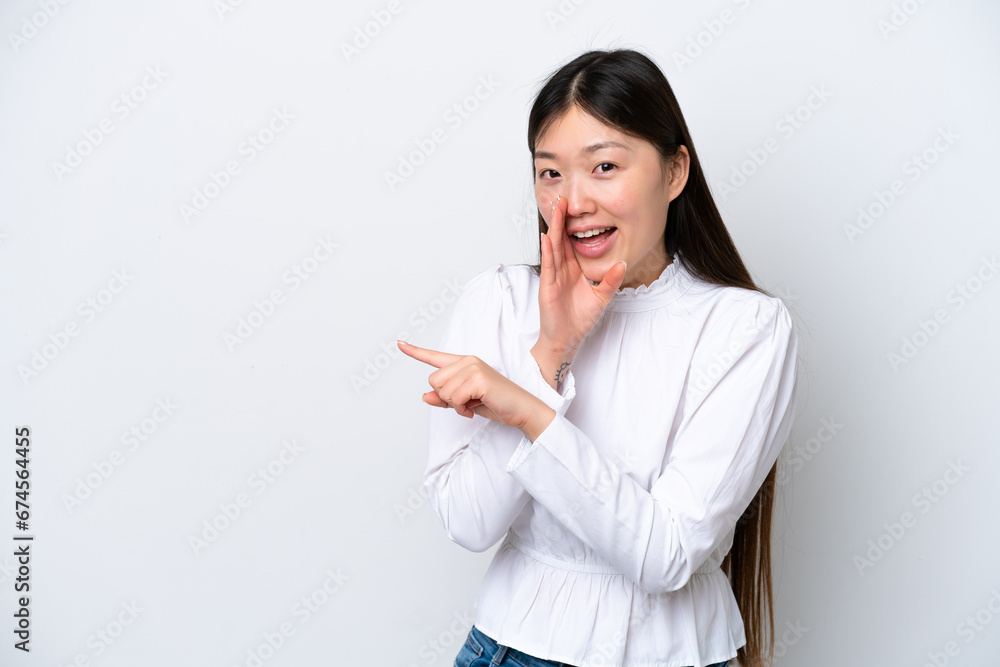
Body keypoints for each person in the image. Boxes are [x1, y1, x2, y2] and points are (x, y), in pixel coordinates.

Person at [398, 48, 801, 667]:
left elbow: (666, 557)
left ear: (674, 172)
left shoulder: (745, 327)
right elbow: (469, 522)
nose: (573, 201)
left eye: (604, 165)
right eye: (550, 173)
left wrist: (529, 411)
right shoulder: (500, 301)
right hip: (512, 650)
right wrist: (550, 352)